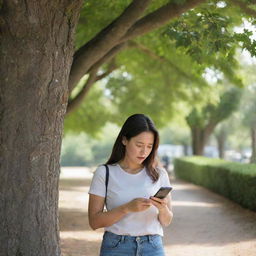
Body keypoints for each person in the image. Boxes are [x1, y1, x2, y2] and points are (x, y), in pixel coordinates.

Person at [88, 114, 173, 256]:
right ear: (124, 140)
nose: (144, 152)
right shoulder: (104, 173)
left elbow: (167, 221)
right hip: (116, 247)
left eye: (149, 146)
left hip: (152, 247)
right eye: (139, 145)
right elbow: (94, 222)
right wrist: (126, 208)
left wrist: (163, 209)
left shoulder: (160, 174)